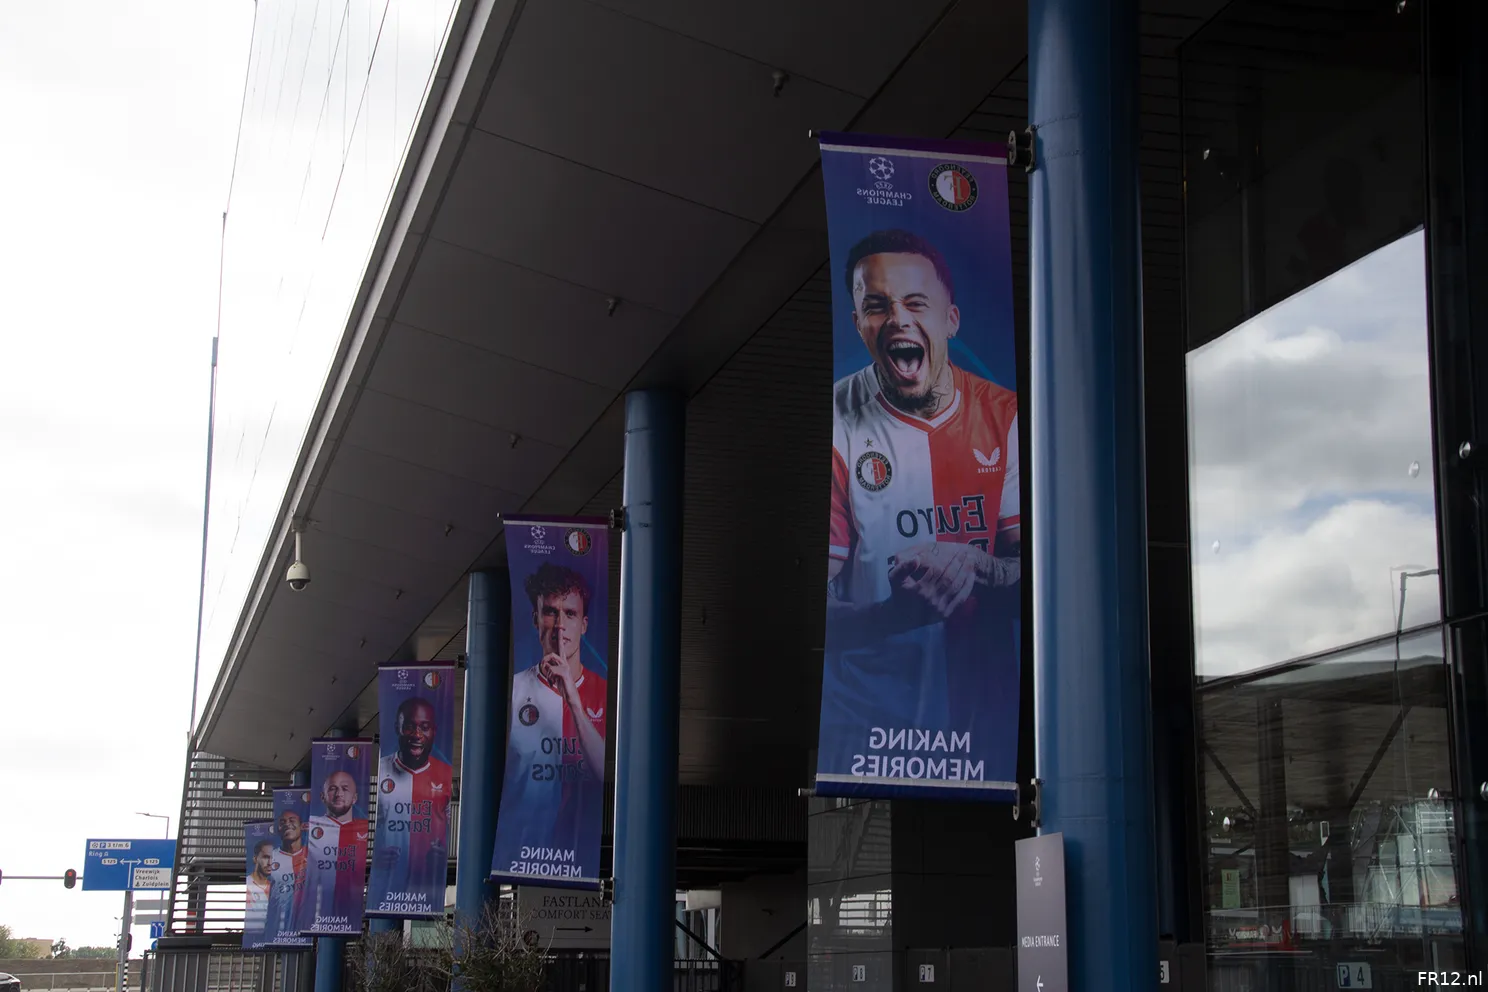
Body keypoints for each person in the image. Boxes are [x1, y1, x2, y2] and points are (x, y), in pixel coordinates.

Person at [825, 228, 1020, 740]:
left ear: (950, 319)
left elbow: (1042, 579)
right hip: (874, 734)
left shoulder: (1007, 417)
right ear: (858, 325)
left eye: (915, 302)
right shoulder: (839, 423)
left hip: (984, 733)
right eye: (877, 305)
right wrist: (893, 615)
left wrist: (978, 566)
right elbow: (816, 612)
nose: (897, 319)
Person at [503, 563, 607, 855]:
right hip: (523, 855)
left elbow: (604, 772)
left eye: (570, 614)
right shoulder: (513, 691)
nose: (560, 625)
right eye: (550, 611)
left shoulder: (606, 692)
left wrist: (572, 697)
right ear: (536, 620)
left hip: (581, 854)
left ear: (583, 625)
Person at [372, 697, 453, 905]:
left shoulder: (445, 776)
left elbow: (448, 826)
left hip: (426, 888)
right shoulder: (383, 770)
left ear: (434, 731)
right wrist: (377, 858)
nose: (417, 735)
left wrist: (442, 853)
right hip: (387, 888)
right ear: (397, 728)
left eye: (424, 727)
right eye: (409, 727)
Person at [300, 770, 369, 930]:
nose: (339, 794)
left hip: (348, 912)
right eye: (332, 788)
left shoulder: (363, 829)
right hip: (316, 915)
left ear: (355, 798)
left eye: (345, 788)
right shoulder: (308, 829)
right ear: (323, 796)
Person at [264, 807, 307, 942]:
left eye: (292, 820)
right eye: (282, 822)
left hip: (307, 928)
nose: (287, 824)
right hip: (279, 933)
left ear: (302, 826)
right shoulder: (270, 859)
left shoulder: (314, 855)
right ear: (278, 829)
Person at [245, 839, 273, 933]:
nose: (270, 863)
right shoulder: (247, 885)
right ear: (255, 859)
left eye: (273, 858)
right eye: (266, 857)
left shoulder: (276, 889)